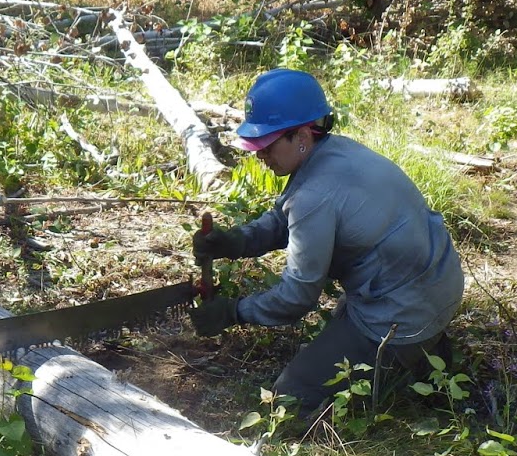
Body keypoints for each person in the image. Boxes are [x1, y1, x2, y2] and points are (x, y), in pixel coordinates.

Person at [189, 68, 464, 411]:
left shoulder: (313, 195)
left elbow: (296, 297)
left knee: (288, 399)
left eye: (267, 145)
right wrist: (236, 241)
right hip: (440, 282)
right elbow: (286, 218)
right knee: (346, 322)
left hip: (402, 310)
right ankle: (424, 351)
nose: (260, 155)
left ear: (302, 135)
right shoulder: (336, 153)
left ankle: (410, 351)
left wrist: (234, 312)